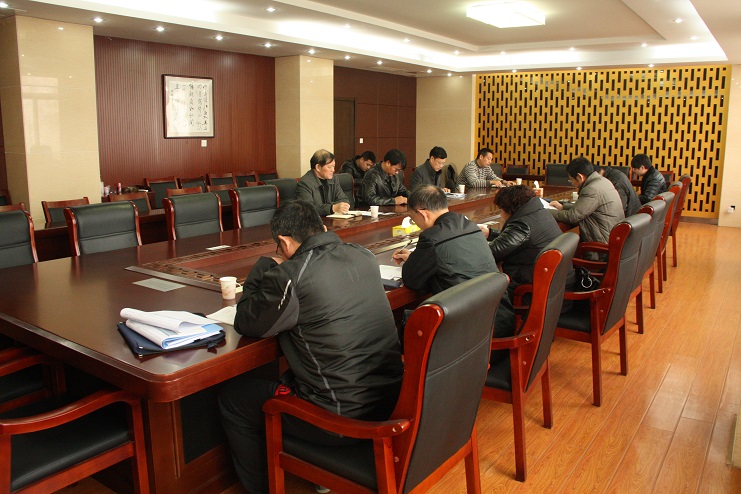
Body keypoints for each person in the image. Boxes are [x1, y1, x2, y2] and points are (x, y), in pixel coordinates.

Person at [219, 200, 403, 494]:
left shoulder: (290, 275)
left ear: (283, 242)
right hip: (390, 399)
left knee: (234, 398)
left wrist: (264, 267)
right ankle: (319, 469)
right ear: (322, 229)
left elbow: (247, 322)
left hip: (339, 418)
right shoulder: (363, 255)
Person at [479, 185, 571, 338]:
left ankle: (495, 337)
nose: (501, 214)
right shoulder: (539, 212)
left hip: (532, 291)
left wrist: (473, 242)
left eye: (501, 209)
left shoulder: (522, 224)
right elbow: (519, 239)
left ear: (509, 209)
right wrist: (491, 233)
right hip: (557, 287)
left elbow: (491, 253)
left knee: (484, 287)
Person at [392, 185, 497, 294]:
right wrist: (415, 258)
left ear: (423, 214)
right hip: (494, 299)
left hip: (461, 303)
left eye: (414, 219)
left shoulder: (430, 237)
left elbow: (411, 281)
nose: (417, 224)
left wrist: (413, 261)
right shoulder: (470, 225)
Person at [548, 157, 625, 247]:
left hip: (601, 244)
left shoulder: (592, 189)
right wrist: (563, 207)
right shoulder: (603, 181)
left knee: (564, 245)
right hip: (613, 237)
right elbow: (586, 208)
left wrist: (545, 211)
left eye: (571, 179)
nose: (572, 183)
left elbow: (572, 216)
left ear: (579, 177)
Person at [296, 149, 351, 215]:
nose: (333, 170)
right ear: (318, 167)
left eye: (333, 166)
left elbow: (344, 200)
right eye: (329, 167)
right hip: (314, 220)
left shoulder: (334, 179)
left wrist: (339, 206)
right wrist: (332, 208)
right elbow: (307, 209)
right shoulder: (305, 183)